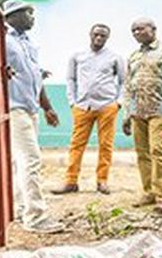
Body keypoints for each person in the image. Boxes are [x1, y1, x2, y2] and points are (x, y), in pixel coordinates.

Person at [4, 0, 64, 233]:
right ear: (11, 16)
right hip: (14, 107)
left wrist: (47, 107)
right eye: (27, 13)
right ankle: (36, 217)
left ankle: (21, 209)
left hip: (30, 108)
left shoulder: (28, 43)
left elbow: (36, 77)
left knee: (22, 162)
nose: (32, 17)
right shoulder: (3, 41)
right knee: (31, 160)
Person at [121, 18, 162, 215]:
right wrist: (126, 114)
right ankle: (148, 192)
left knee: (157, 151)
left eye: (140, 29)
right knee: (142, 153)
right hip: (138, 111)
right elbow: (127, 86)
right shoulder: (133, 55)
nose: (136, 33)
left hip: (160, 110)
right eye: (133, 30)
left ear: (153, 29)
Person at [52, 24, 126, 196]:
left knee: (105, 145)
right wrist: (72, 102)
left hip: (107, 106)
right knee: (77, 144)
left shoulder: (114, 57)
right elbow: (70, 79)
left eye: (103, 36)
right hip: (83, 106)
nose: (99, 38)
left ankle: (102, 181)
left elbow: (123, 81)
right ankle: (71, 181)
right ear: (90, 35)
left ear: (107, 38)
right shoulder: (77, 56)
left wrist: (118, 103)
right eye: (96, 35)